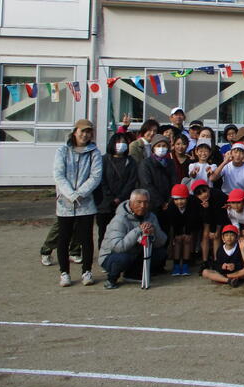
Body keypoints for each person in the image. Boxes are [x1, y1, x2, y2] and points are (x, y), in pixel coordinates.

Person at [52, 118, 102, 287]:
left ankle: (86, 271)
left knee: (86, 238)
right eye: (82, 131)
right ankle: (64, 272)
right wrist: (70, 194)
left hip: (85, 202)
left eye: (89, 132)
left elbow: (95, 176)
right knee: (64, 237)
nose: (85, 135)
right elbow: (58, 175)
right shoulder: (62, 150)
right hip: (65, 202)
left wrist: (80, 193)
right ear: (75, 132)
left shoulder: (94, 152)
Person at [100, 189, 168, 289]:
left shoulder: (151, 217)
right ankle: (111, 279)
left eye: (146, 202)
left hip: (135, 253)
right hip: (112, 255)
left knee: (161, 253)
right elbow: (118, 247)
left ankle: (133, 274)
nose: (143, 206)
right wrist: (138, 230)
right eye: (139, 202)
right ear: (131, 203)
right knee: (122, 258)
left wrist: (154, 232)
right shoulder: (119, 219)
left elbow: (162, 242)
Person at [96, 132, 137, 251]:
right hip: (105, 203)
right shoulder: (103, 160)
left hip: (124, 203)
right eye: (118, 142)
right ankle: (104, 254)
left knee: (123, 230)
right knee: (104, 231)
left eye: (124, 142)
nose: (121, 144)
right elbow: (101, 180)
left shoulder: (131, 161)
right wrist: (110, 197)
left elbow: (132, 181)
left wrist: (120, 197)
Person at [162, 183, 198, 275]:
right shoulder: (171, 207)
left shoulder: (193, 204)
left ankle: (185, 264)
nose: (179, 202)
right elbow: (172, 223)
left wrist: (188, 233)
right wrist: (175, 236)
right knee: (178, 241)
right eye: (176, 199)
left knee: (187, 241)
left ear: (187, 198)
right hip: (176, 226)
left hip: (190, 224)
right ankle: (176, 265)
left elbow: (192, 219)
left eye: (182, 199)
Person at [138, 134, 177, 216]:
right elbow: (147, 184)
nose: (161, 148)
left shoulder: (171, 162)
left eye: (164, 146)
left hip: (169, 203)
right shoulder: (146, 164)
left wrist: (169, 201)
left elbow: (174, 182)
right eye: (158, 146)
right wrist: (161, 202)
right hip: (152, 204)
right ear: (153, 148)